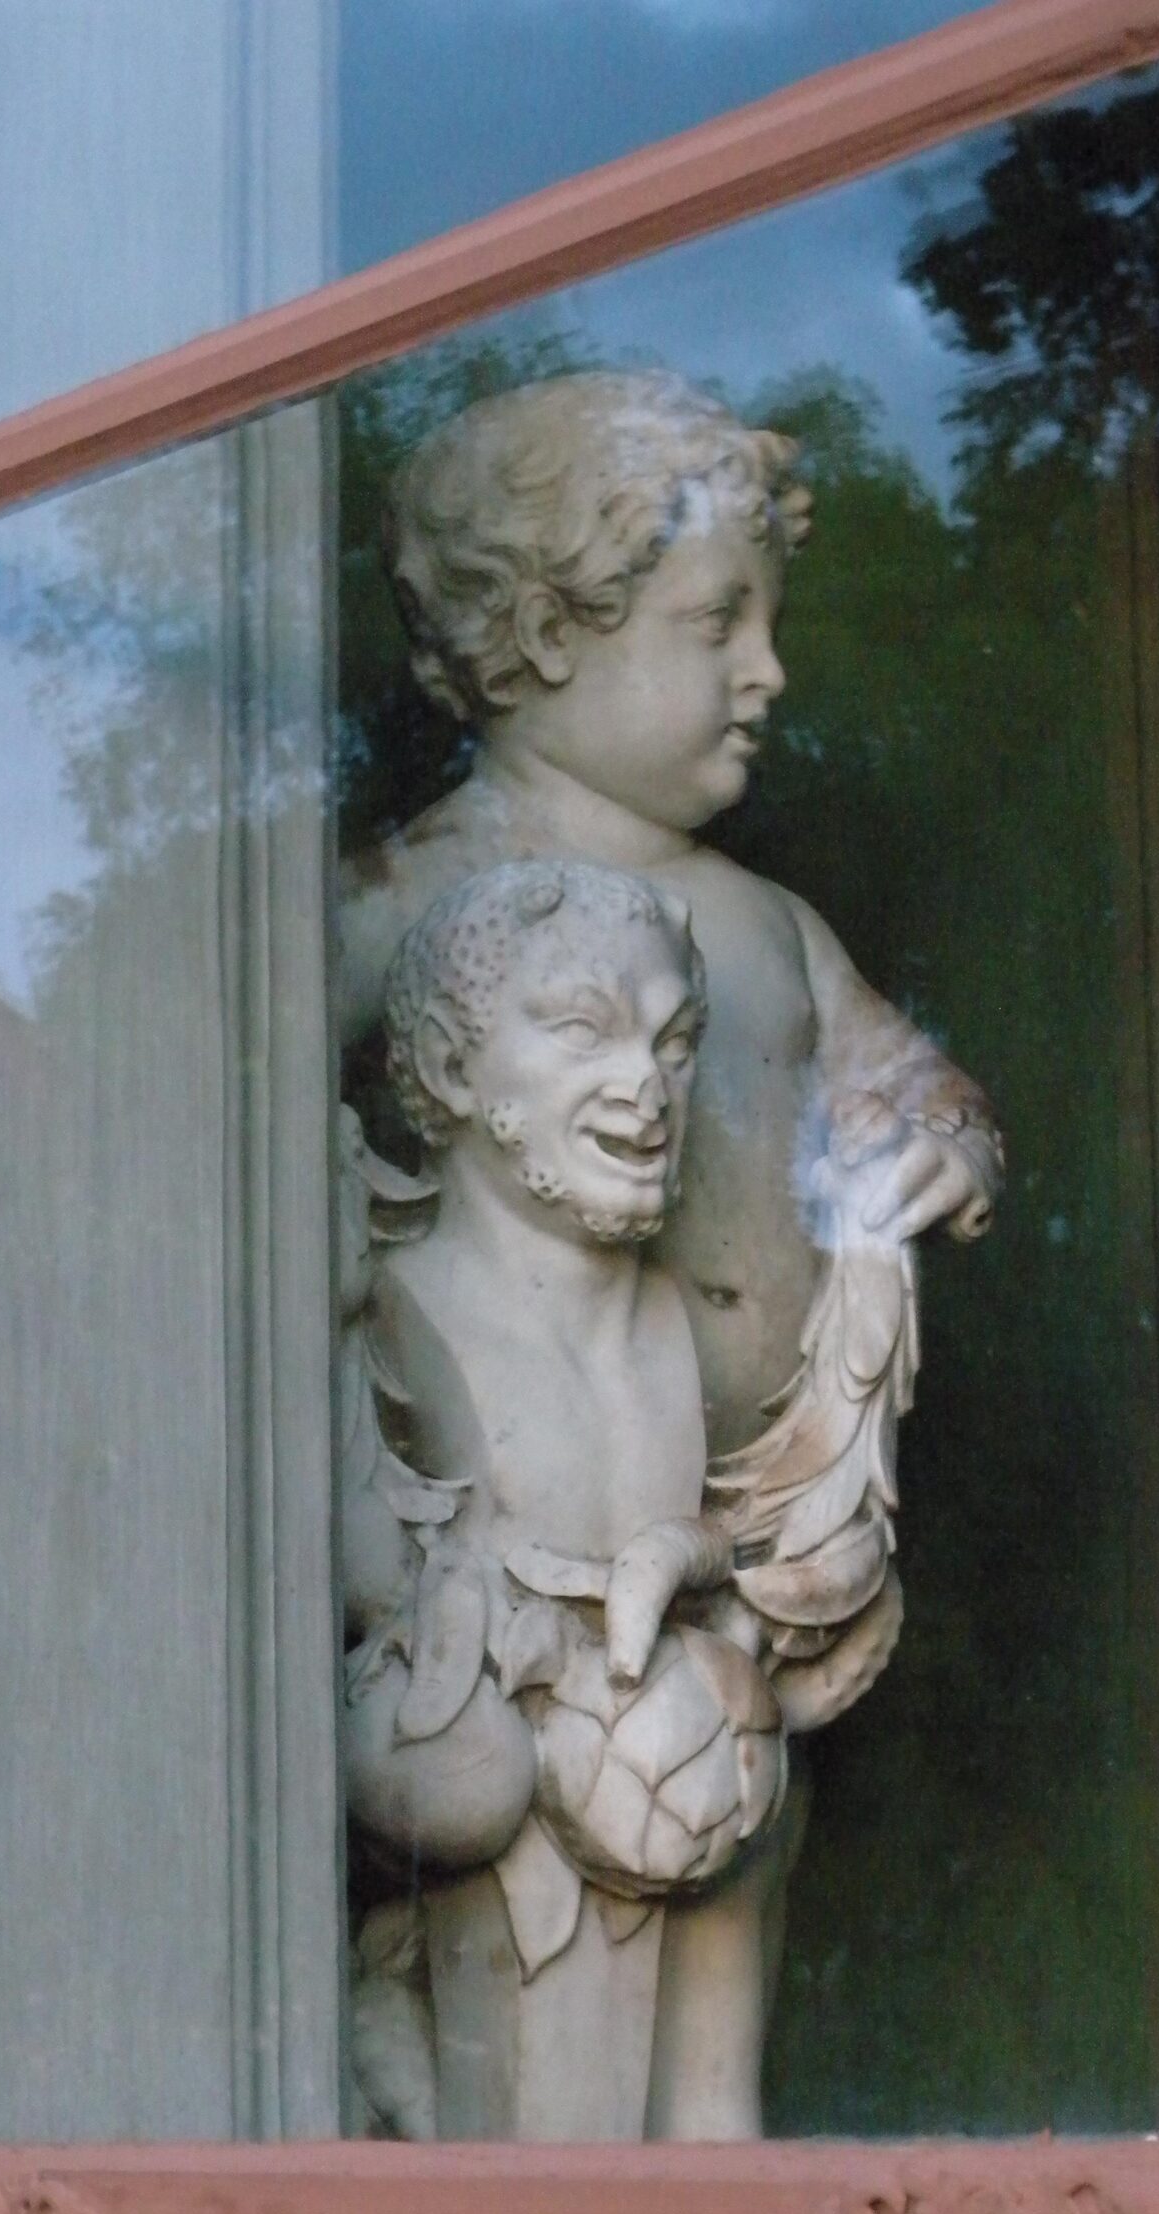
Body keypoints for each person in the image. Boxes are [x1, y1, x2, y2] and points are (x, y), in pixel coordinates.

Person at [338, 368, 1002, 1462]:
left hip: (793, 1500)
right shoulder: (403, 898)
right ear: (549, 633)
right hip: (528, 1492)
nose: (770, 670)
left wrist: (945, 1145)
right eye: (718, 623)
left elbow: (911, 1081)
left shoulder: (771, 922)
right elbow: (244, 1122)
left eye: (770, 627)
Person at [342, 858, 789, 2141]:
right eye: (585, 1030)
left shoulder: (680, 1329)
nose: (648, 1084)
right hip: (487, 1879)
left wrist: (690, 1556)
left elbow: (738, 1543)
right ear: (452, 1067)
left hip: (691, 1811)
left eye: (675, 1041)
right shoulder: (394, 1314)